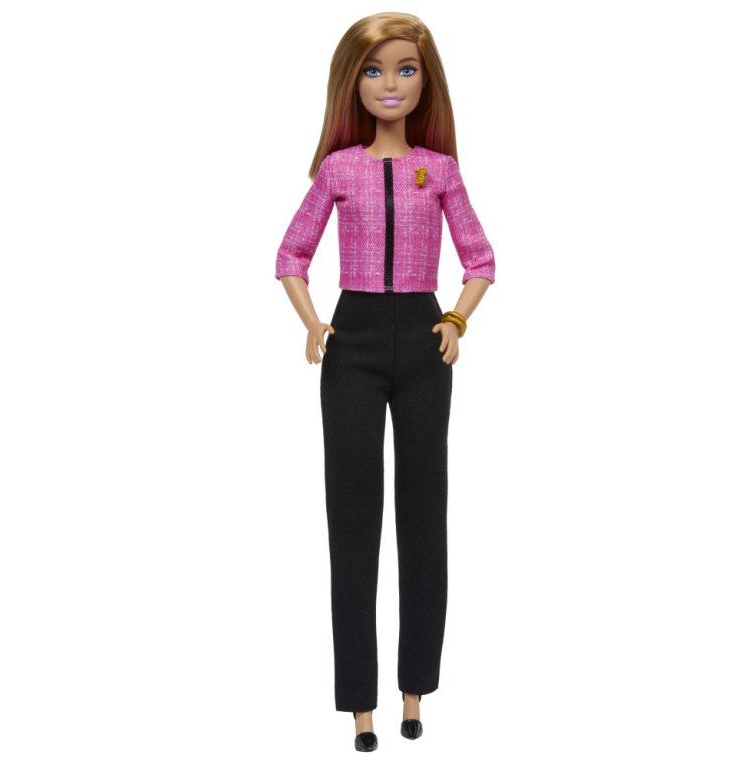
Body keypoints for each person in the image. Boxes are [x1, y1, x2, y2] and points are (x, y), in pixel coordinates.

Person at [274, 12, 496, 752]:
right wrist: (314, 323)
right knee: (353, 515)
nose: (390, 84)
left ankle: (414, 691)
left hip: (426, 340)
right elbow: (291, 254)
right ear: (352, 81)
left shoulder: (442, 170)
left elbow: (481, 260)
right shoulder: (339, 170)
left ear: (426, 80)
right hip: (355, 339)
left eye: (405, 69)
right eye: (374, 70)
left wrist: (456, 320)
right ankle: (358, 703)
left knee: (424, 511)